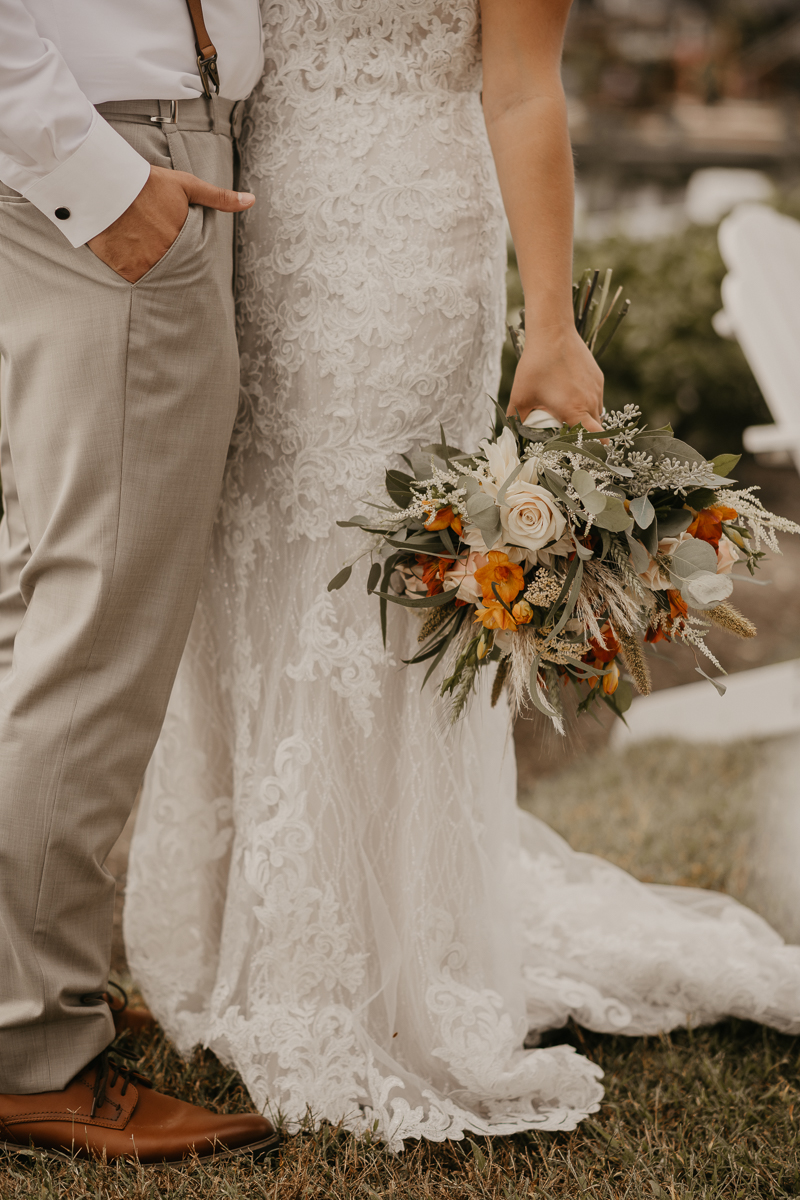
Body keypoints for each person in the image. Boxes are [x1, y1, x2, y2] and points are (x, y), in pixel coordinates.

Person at [88, 0, 800, 1149]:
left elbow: (521, 89)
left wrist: (552, 323)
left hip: (407, 256)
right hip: (251, 234)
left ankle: (367, 964)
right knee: (250, 568)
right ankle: (232, 932)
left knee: (370, 586)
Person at [0, 0, 277, 1161]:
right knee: (98, 622)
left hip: (141, 147)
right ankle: (28, 1054)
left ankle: (26, 988)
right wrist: (101, 181)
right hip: (110, 155)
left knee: (46, 602)